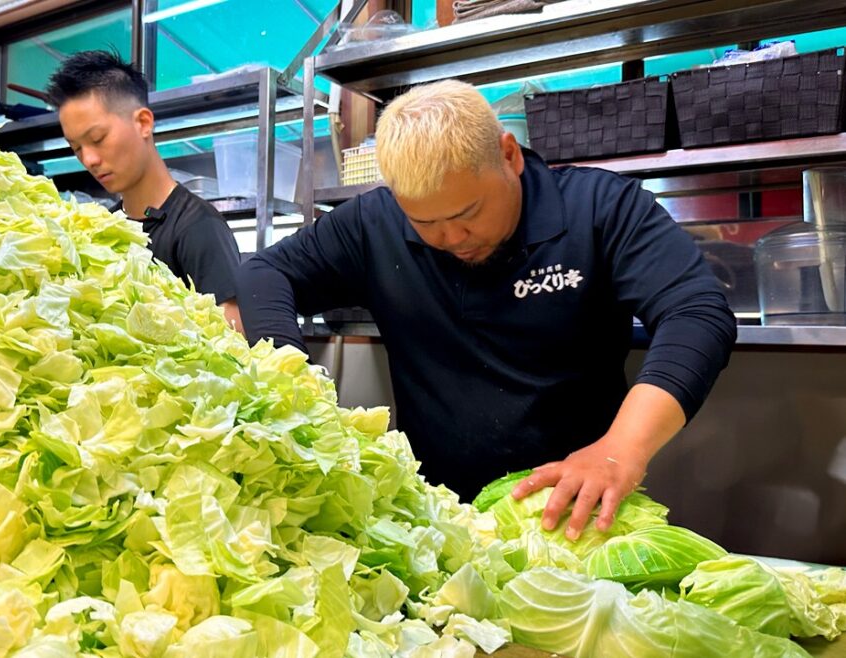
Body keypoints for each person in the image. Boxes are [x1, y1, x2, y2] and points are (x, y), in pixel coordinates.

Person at [236, 79, 736, 540]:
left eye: (468, 213)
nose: (451, 239)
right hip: (435, 520)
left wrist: (620, 450)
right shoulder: (375, 223)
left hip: (571, 515)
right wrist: (294, 380)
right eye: (426, 222)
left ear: (509, 155)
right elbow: (264, 273)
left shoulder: (600, 208)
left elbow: (697, 312)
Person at [47, 50, 243, 330]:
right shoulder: (105, 229)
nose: (89, 159)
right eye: (77, 148)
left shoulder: (198, 229)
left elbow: (233, 346)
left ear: (143, 123)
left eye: (97, 138)